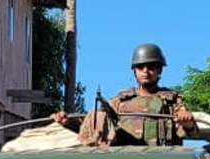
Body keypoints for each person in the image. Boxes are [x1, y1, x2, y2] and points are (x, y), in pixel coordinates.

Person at [50, 43, 195, 147]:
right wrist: (67, 122)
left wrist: (186, 121)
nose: (146, 71)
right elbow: (94, 126)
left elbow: (191, 130)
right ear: (134, 70)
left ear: (159, 70)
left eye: (151, 66)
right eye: (140, 66)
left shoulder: (172, 101)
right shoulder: (120, 102)